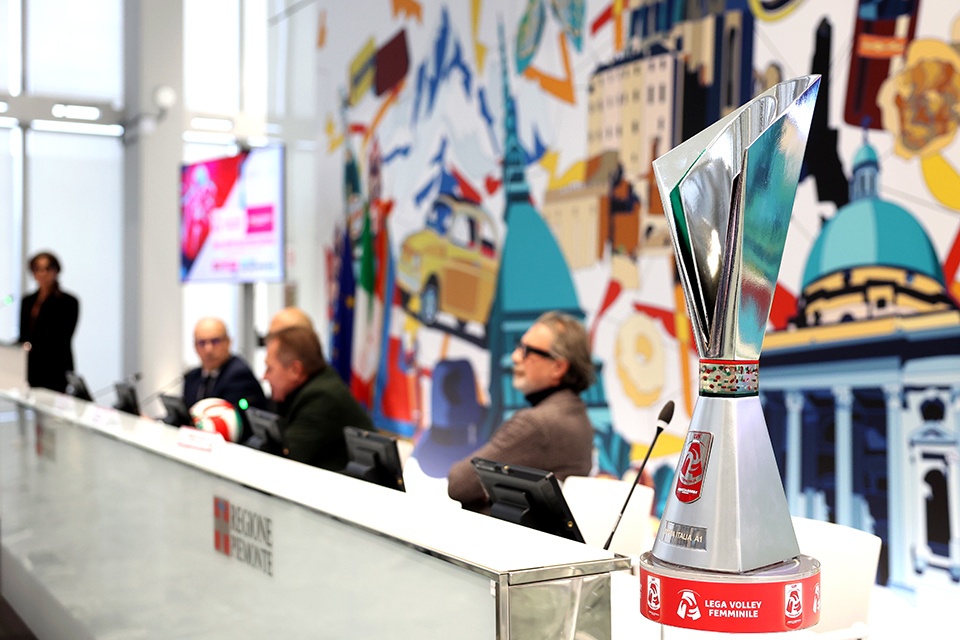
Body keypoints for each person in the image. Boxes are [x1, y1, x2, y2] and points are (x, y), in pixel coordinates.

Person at [447, 311, 595, 511]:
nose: (515, 357)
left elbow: (459, 484)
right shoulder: (577, 416)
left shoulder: (536, 424)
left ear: (558, 367)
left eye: (527, 351)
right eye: (519, 346)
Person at [262, 325, 374, 470]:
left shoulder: (322, 398)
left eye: (270, 369)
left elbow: (282, 461)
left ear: (295, 370)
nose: (264, 377)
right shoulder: (307, 388)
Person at [183, 317, 267, 440]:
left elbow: (229, 425)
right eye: (202, 343)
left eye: (215, 341)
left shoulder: (239, 375)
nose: (208, 349)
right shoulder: (192, 376)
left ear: (228, 342)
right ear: (195, 346)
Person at [18, 251, 80, 393]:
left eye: (47, 268)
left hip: (55, 366)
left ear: (56, 271)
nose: (43, 274)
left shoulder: (68, 302)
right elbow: (23, 335)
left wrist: (32, 345)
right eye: (38, 269)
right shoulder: (28, 301)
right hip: (31, 367)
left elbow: (62, 337)